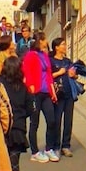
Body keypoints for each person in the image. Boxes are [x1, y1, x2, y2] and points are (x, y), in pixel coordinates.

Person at [22, 32, 59, 163]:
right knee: (34, 123)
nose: (46, 42)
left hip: (46, 92)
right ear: (40, 41)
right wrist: (30, 87)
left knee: (52, 120)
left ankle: (49, 148)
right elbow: (26, 71)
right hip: (35, 92)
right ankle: (35, 151)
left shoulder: (45, 55)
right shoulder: (30, 55)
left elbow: (49, 74)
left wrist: (52, 91)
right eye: (45, 40)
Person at [0, 56, 29, 171]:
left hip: (0, 128)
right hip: (17, 129)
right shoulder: (23, 87)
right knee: (13, 164)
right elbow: (30, 109)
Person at [49, 37, 78, 157]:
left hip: (69, 93)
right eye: (63, 44)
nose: (65, 46)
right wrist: (59, 73)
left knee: (68, 120)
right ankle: (56, 145)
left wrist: (74, 75)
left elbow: (74, 75)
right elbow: (47, 76)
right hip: (58, 94)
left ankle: (66, 145)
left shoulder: (68, 61)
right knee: (57, 120)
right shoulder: (51, 61)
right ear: (56, 47)